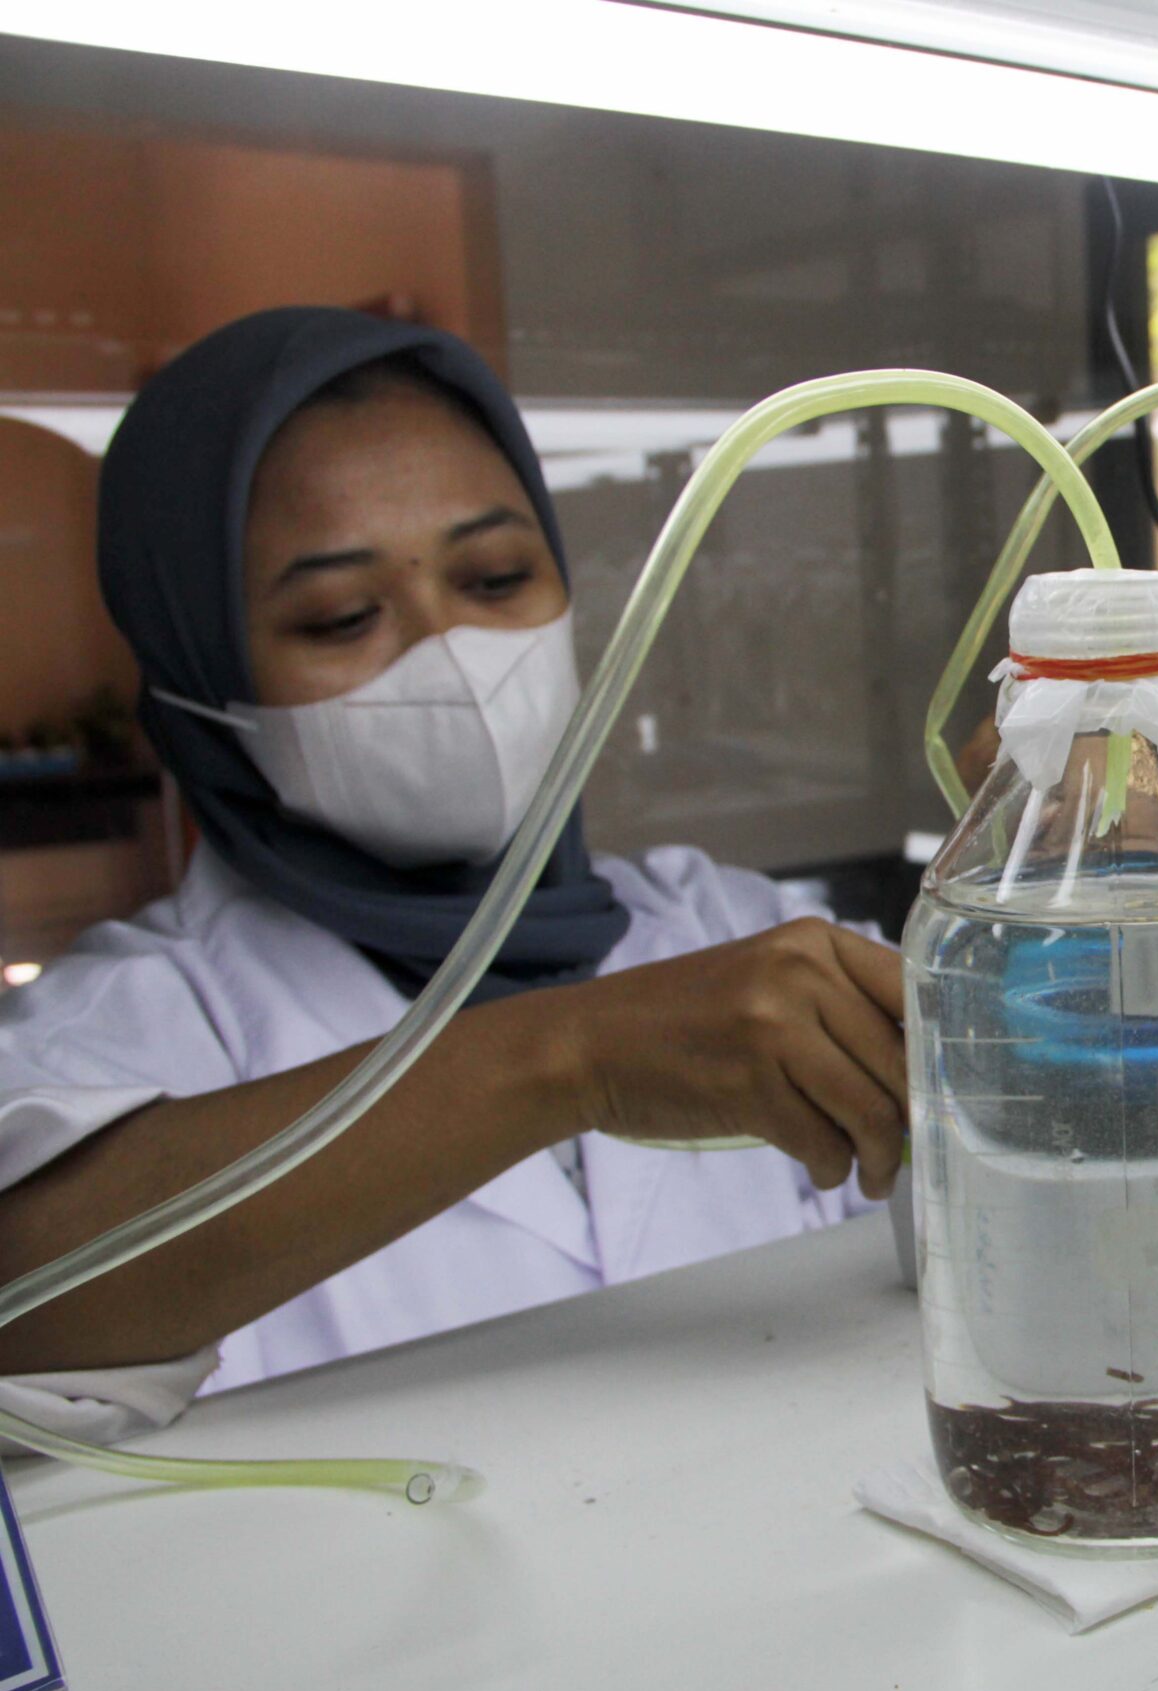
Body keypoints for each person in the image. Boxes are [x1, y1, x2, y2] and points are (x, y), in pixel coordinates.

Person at [0, 308, 910, 1442]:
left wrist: (1055, 877)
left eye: (495, 577)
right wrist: (568, 1058)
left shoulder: (725, 925)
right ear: (201, 672)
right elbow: (25, 1296)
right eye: (342, 617)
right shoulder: (132, 1030)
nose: (452, 655)